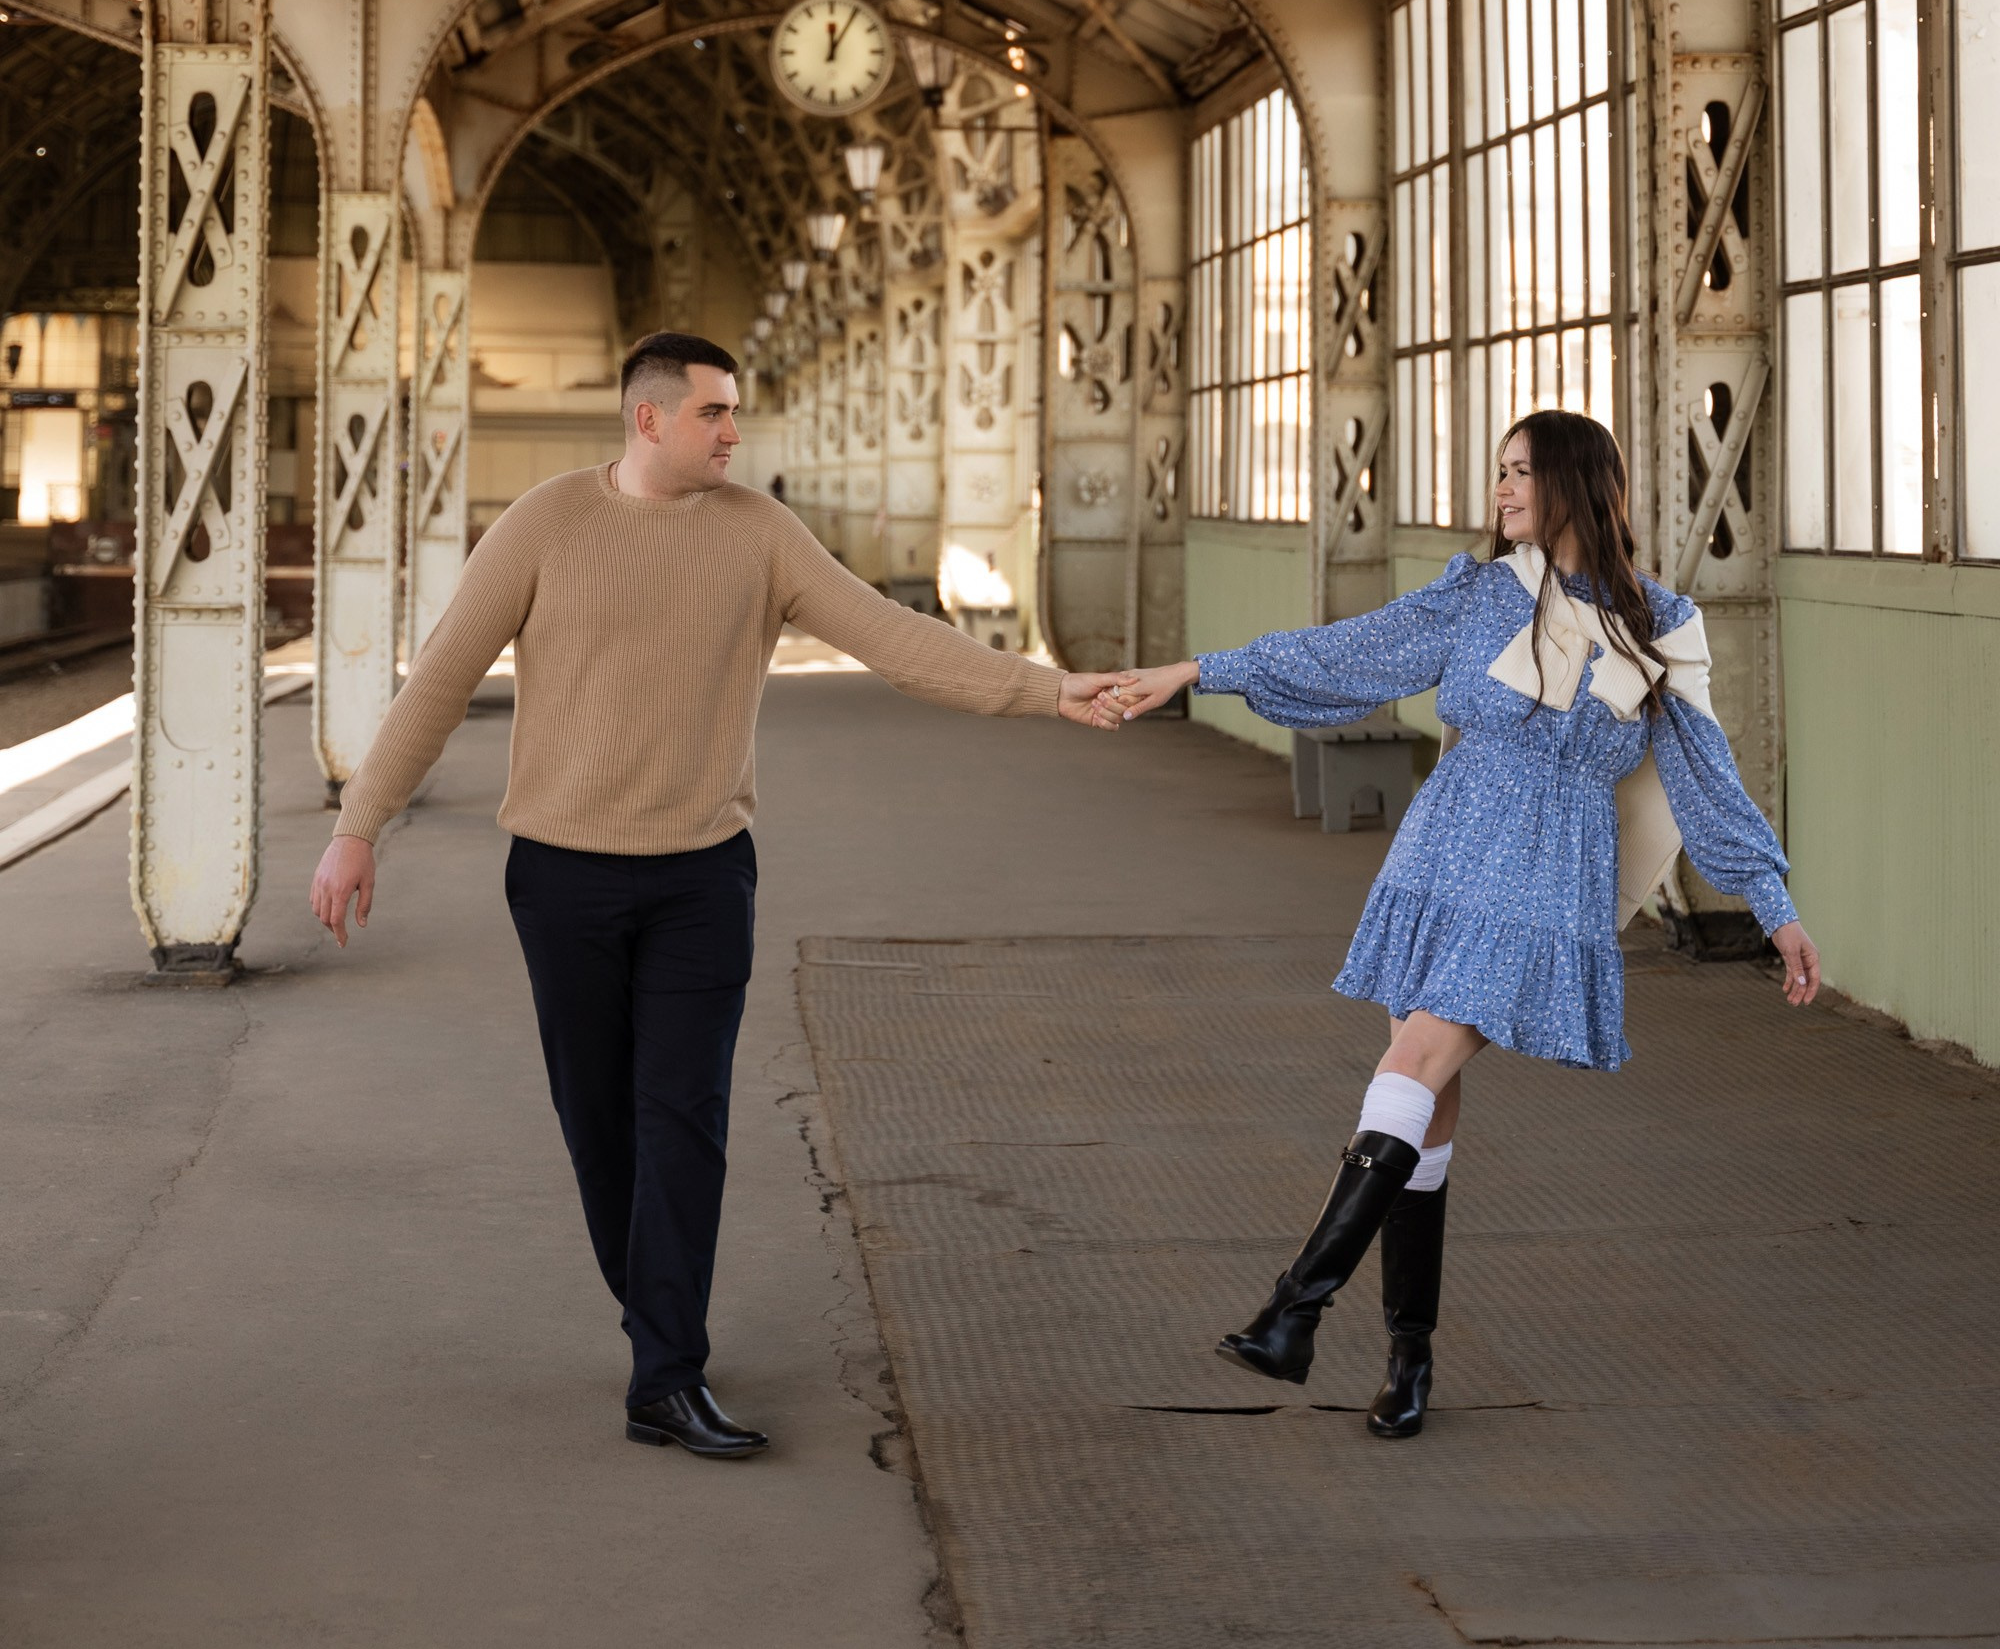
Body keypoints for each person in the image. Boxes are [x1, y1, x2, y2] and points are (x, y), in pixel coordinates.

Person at [310, 331, 1125, 1461]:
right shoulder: (545, 524)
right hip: (560, 877)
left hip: (702, 876)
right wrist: (359, 828)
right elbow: (440, 677)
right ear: (649, 419)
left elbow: (894, 640)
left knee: (681, 1118)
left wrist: (1046, 691)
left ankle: (666, 1369)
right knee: (599, 1123)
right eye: (715, 413)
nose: (734, 432)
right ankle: (658, 1308)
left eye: (733, 412)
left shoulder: (760, 535)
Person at [1095, 409, 1820, 1439]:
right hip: (1444, 847)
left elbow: (1706, 778)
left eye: (1520, 471)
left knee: (1418, 1053)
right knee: (1423, 1088)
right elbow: (1347, 653)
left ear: (1574, 481)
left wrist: (1774, 904)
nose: (1502, 488)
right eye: (1498, 469)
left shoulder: (1658, 624)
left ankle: (1293, 1304)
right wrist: (1197, 669)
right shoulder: (1478, 593)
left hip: (1546, 868)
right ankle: (1408, 1356)